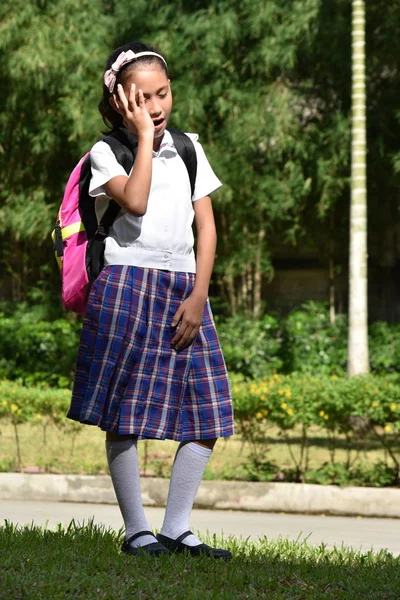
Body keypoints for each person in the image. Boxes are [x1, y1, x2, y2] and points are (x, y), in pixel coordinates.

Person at [67, 41, 234, 559]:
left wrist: (200, 292)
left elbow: (206, 227)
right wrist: (142, 138)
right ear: (120, 100)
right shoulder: (105, 152)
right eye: (142, 99)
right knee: (125, 413)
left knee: (208, 413)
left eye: (162, 94)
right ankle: (137, 530)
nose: (156, 107)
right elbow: (135, 199)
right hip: (126, 284)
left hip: (186, 288)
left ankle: (178, 527)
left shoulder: (188, 147)